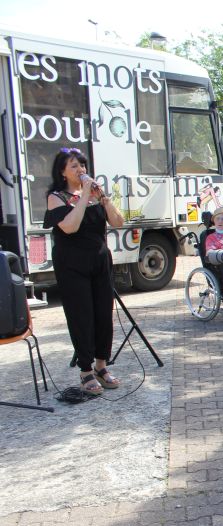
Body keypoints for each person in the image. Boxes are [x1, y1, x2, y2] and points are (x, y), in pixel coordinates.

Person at [43, 148, 125, 395]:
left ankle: (102, 365)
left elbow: (118, 222)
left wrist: (104, 199)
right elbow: (69, 227)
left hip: (99, 261)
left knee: (103, 313)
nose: (80, 170)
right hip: (72, 264)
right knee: (81, 316)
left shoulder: (94, 195)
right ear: (62, 172)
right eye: (73, 166)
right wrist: (83, 196)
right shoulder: (56, 197)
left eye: (82, 165)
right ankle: (85, 370)